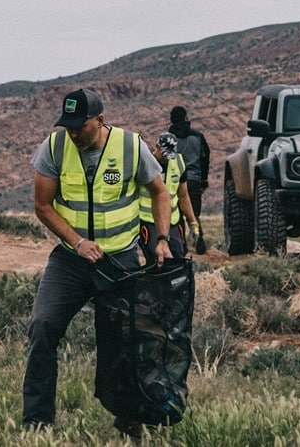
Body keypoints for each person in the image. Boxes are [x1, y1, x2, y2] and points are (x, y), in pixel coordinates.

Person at [23, 88, 173, 440]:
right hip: (71, 260)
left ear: (100, 120)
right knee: (42, 327)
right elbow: (42, 206)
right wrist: (77, 242)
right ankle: (36, 424)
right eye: (68, 126)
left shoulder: (130, 147)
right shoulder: (54, 148)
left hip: (120, 260)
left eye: (81, 126)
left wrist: (163, 239)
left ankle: (129, 419)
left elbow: (160, 192)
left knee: (125, 343)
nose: (74, 133)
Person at [139, 132, 199, 260]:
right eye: (164, 155)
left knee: (177, 256)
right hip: (149, 220)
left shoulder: (179, 162)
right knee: (155, 257)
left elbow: (183, 196)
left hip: (172, 220)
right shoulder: (145, 163)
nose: (166, 159)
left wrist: (192, 222)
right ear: (157, 147)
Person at [168, 106, 210, 254]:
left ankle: (182, 245)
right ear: (185, 117)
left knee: (178, 215)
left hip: (175, 181)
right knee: (194, 214)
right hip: (194, 180)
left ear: (172, 119)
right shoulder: (198, 136)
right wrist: (203, 179)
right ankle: (199, 239)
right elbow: (205, 158)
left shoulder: (168, 138)